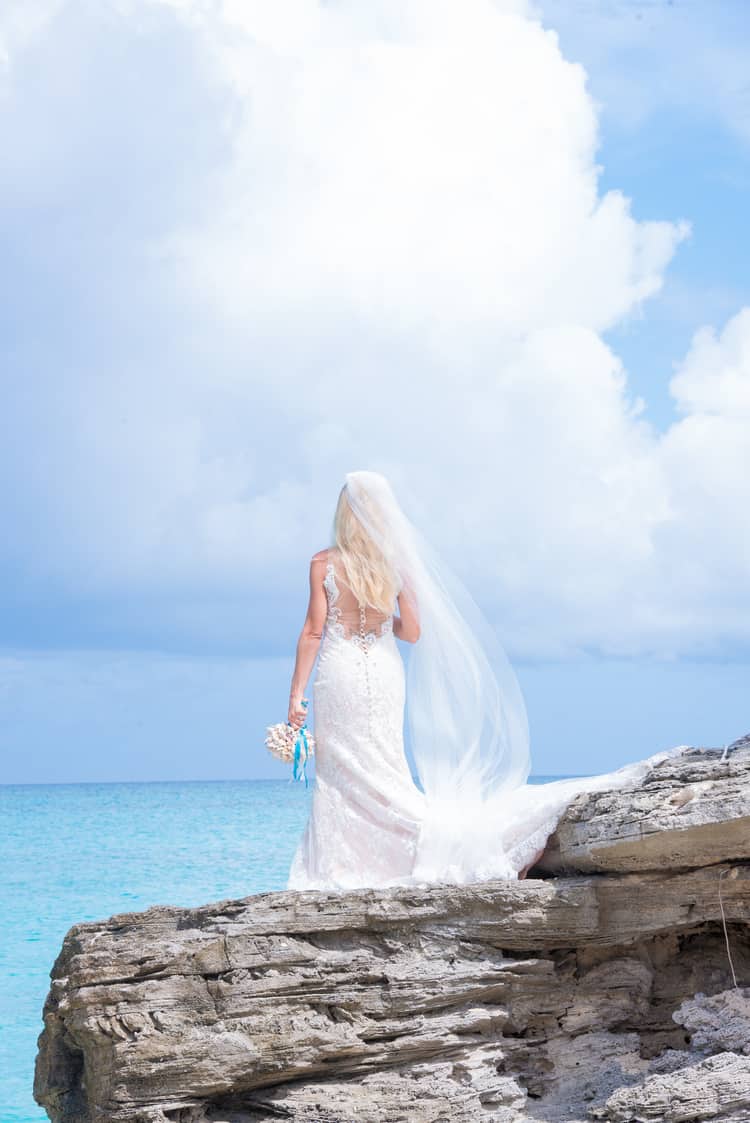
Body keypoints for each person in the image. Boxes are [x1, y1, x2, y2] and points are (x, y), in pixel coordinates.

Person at [286, 470, 679, 892]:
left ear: (344, 515)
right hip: (383, 672)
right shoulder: (396, 563)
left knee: (343, 768)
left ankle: (343, 862)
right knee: (386, 765)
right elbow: (412, 633)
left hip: (339, 672)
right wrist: (382, 621)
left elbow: (313, 630)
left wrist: (296, 695)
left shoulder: (323, 563)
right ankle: (400, 851)